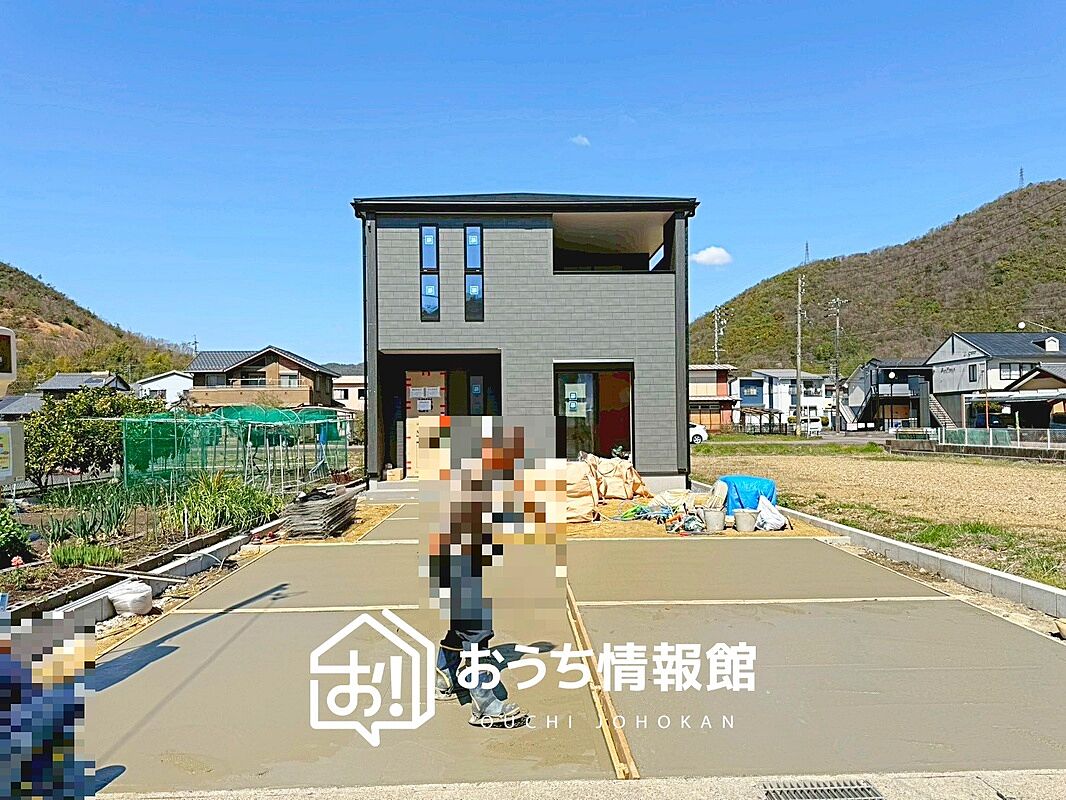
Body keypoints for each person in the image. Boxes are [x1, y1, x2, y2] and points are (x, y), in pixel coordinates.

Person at [425, 417, 530, 728]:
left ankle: (446, 680)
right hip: (459, 566)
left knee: (460, 627)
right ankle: (485, 704)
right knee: (477, 633)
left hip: (453, 564)